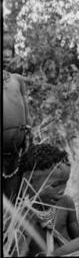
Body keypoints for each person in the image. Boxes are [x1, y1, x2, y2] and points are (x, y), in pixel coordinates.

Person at [11, 143, 79, 256]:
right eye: (55, 185)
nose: (62, 190)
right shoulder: (20, 219)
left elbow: (78, 239)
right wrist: (63, 251)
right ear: (29, 182)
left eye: (65, 183)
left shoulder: (66, 203)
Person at [3, 29, 32, 202]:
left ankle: (11, 228)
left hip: (17, 152)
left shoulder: (18, 80)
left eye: (9, 49)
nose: (6, 54)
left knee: (14, 198)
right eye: (3, 49)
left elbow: (26, 113)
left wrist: (29, 132)